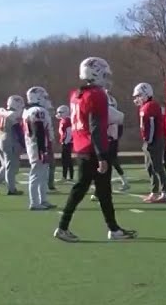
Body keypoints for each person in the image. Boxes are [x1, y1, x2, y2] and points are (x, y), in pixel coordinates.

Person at [53, 57, 135, 242]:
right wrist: (102, 156)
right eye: (104, 74)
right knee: (81, 189)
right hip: (92, 149)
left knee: (103, 191)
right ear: (96, 73)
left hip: (81, 147)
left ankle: (114, 229)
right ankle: (62, 227)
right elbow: (96, 127)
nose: (106, 78)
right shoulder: (97, 95)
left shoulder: (76, 94)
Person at [134, 82, 166, 203]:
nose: (137, 98)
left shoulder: (150, 106)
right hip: (151, 140)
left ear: (145, 94)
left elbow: (151, 125)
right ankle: (154, 192)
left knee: (157, 167)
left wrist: (149, 140)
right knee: (149, 167)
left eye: (139, 95)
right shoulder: (147, 106)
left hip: (154, 140)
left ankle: (165, 193)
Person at [22, 92, 54, 211]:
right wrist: (42, 148)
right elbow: (39, 129)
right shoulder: (36, 110)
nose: (46, 100)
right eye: (44, 97)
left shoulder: (28, 110)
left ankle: (43, 200)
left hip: (36, 144)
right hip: (38, 145)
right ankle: (34, 202)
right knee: (36, 174)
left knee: (43, 174)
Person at [0, 96, 24, 196]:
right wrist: (24, 144)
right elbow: (18, 131)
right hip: (9, 141)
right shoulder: (12, 115)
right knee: (11, 166)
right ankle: (11, 189)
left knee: (6, 165)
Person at [56, 104, 74, 182]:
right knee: (68, 160)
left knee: (66, 160)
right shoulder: (63, 120)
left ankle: (65, 176)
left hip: (67, 142)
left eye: (60, 112)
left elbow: (69, 132)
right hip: (66, 142)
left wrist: (65, 141)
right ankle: (70, 176)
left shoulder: (67, 120)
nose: (59, 113)